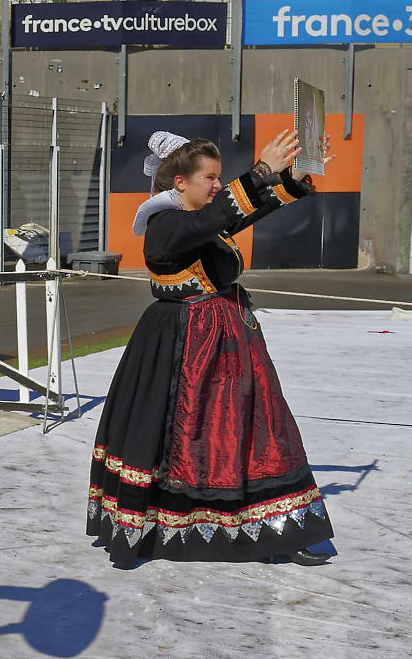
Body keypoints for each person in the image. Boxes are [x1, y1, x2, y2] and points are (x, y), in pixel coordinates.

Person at [88, 130, 335, 570]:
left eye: (220, 177)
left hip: (225, 341)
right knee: (185, 435)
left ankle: (276, 527)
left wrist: (292, 181)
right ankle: (173, 523)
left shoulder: (201, 219)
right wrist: (260, 172)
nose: (217, 184)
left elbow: (234, 216)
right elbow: (215, 218)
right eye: (210, 177)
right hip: (183, 348)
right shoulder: (165, 226)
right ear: (179, 182)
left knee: (255, 429)